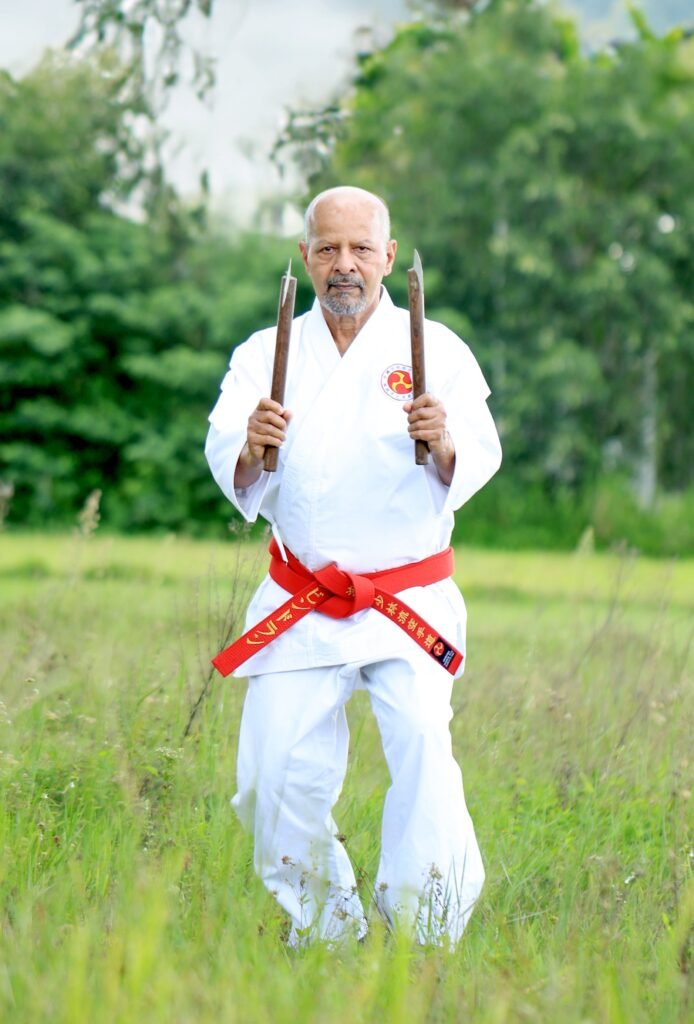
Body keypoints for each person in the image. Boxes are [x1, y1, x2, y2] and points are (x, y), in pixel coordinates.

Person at [205, 185, 501, 947]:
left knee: (426, 759)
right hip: (302, 594)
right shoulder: (262, 354)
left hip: (407, 596)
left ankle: (423, 933)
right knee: (270, 781)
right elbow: (227, 456)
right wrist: (250, 447)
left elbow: (481, 451)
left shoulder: (437, 350)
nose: (345, 265)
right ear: (304, 258)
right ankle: (328, 927)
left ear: (389, 258)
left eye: (361, 249)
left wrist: (443, 441)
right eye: (328, 249)